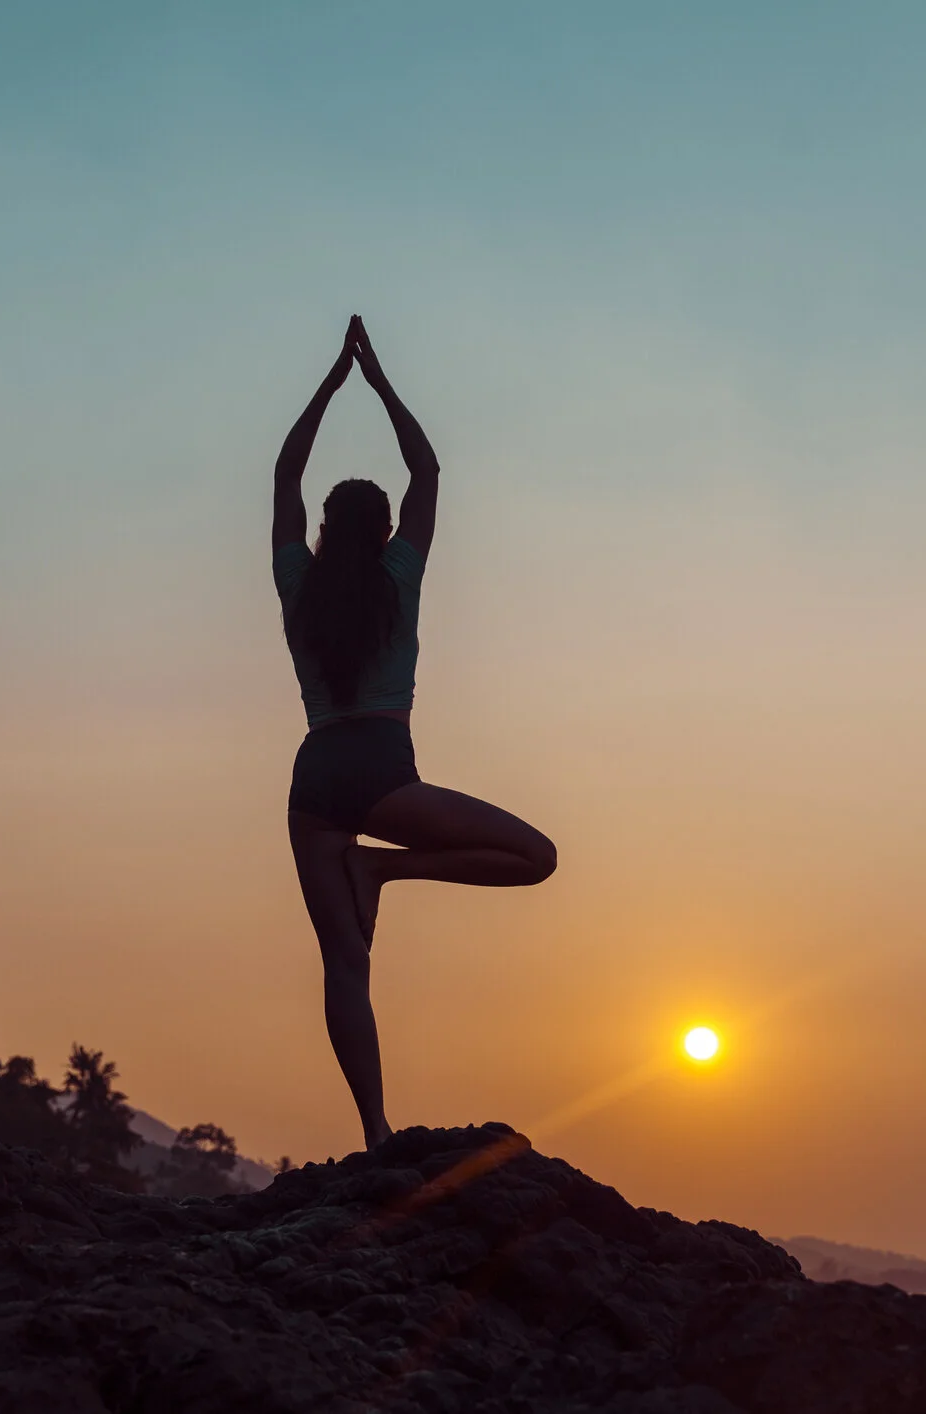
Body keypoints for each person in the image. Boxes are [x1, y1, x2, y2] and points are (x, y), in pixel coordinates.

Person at [273, 315, 557, 1151]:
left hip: (313, 776)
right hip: (380, 771)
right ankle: (385, 868)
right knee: (535, 858)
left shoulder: (297, 581)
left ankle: (373, 1130)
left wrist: (328, 383)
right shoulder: (401, 575)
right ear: (386, 531)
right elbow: (426, 467)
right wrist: (378, 378)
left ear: (325, 530)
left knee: (344, 969)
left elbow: (286, 469)